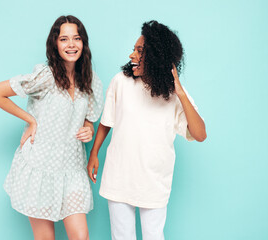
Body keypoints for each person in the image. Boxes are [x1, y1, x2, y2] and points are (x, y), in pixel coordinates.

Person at [0, 15, 104, 240]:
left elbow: (90, 117)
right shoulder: (46, 76)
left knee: (81, 236)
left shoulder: (90, 80)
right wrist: (31, 120)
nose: (71, 44)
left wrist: (88, 127)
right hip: (40, 167)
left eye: (76, 38)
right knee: (45, 238)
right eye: (64, 39)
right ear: (55, 44)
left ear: (83, 43)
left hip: (72, 168)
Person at [87, 20, 207, 240]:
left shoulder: (174, 94)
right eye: (133, 49)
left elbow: (200, 134)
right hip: (119, 175)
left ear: (156, 57)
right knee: (121, 236)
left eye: (139, 51)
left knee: (153, 235)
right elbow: (107, 121)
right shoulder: (120, 81)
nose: (132, 55)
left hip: (154, 180)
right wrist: (94, 153)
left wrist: (180, 92)